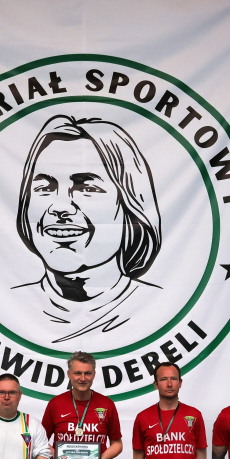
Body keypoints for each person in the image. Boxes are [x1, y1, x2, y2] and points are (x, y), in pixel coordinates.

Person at [14, 115, 162, 344]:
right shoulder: (8, 305)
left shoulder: (159, 306)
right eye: (44, 188)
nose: (60, 207)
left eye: (87, 188)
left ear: (129, 203)